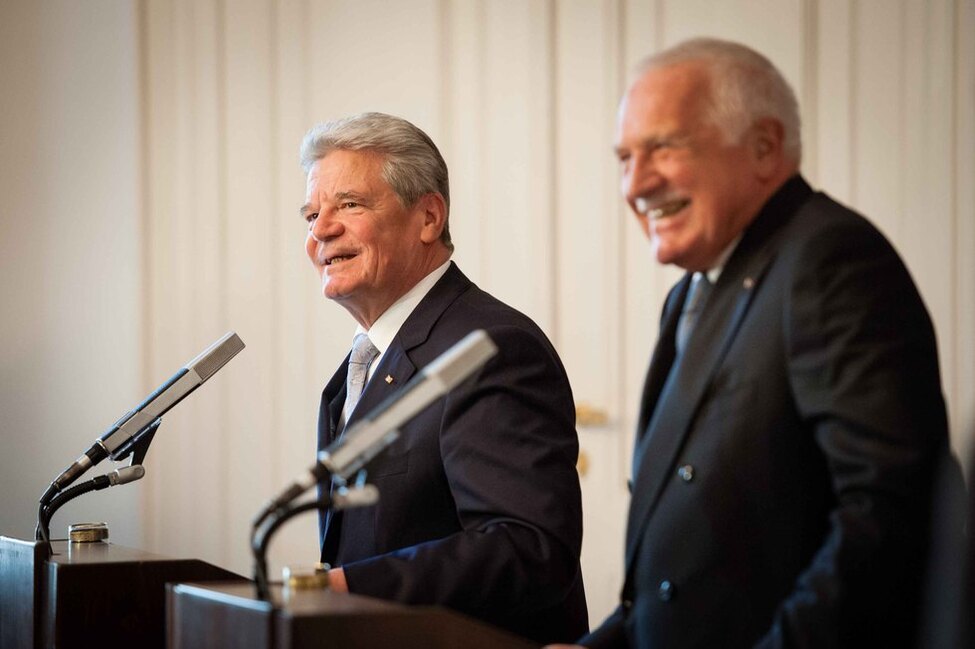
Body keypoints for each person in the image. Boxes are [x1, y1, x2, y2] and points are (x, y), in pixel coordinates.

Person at [555, 38, 951, 648]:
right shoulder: (690, 292)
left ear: (764, 147)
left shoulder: (830, 261)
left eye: (664, 146)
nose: (636, 184)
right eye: (625, 158)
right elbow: (682, 570)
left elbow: (883, 516)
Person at [298, 112, 588, 643]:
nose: (320, 229)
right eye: (312, 213)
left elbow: (527, 548)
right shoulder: (360, 368)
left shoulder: (489, 348)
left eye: (349, 204)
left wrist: (348, 588)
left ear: (428, 217)